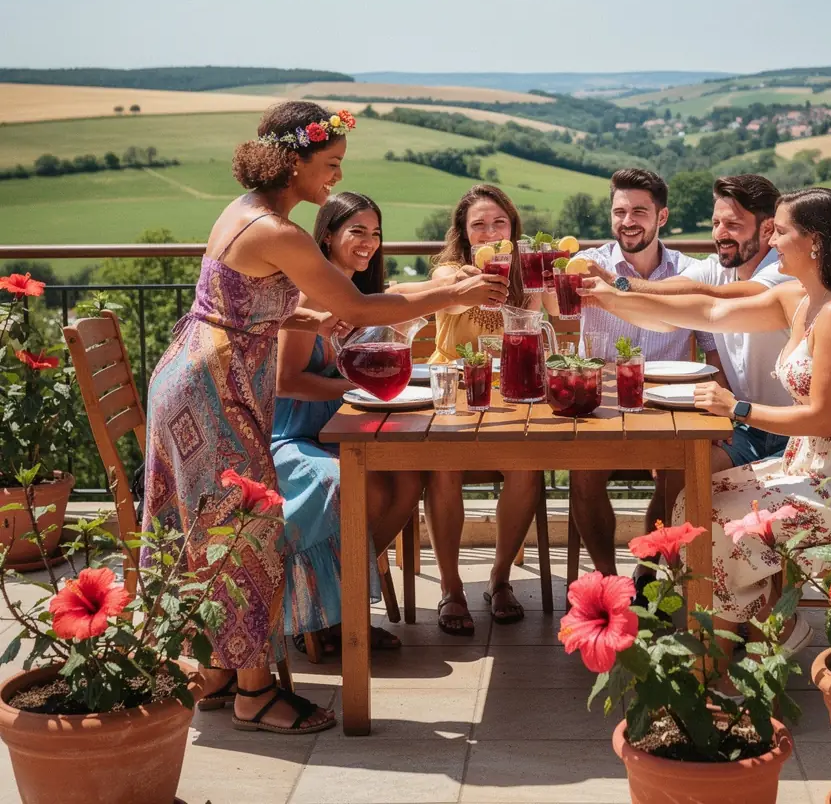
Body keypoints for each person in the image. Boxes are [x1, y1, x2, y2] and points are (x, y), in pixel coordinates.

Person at [142, 102, 508, 735]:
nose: (335, 179)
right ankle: (255, 692)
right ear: (293, 163)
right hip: (212, 394)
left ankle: (224, 672)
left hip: (200, 379)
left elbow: (241, 302)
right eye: (330, 165)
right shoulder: (277, 230)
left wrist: (304, 318)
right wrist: (458, 291)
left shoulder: (251, 214)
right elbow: (362, 308)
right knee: (241, 531)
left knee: (217, 533)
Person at [579, 186, 831, 657]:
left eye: (780, 232)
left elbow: (821, 419)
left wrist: (735, 407)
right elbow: (710, 307)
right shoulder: (798, 298)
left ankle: (742, 649)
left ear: (814, 242)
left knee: (715, 519)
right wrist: (614, 291)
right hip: (812, 462)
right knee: (693, 503)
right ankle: (764, 628)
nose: (772, 241)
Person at [273, 192, 444, 657]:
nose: (368, 242)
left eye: (375, 233)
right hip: (291, 437)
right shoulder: (307, 294)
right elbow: (287, 381)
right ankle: (336, 619)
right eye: (356, 232)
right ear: (327, 235)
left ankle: (335, 600)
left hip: (338, 431)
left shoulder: (357, 296)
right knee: (342, 484)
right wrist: (357, 387)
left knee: (408, 478)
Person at [551, 168, 698, 579]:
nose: (628, 221)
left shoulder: (687, 270)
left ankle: (647, 573)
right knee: (583, 472)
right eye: (619, 211)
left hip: (664, 404)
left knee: (678, 474)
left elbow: (712, 345)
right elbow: (549, 304)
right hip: (596, 401)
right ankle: (608, 578)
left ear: (661, 217)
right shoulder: (587, 263)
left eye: (639, 211)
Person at [612, 175, 796, 471]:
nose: (720, 234)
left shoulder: (784, 271)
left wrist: (617, 283)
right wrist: (606, 297)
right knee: (679, 467)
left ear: (767, 229)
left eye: (733, 225)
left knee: (696, 479)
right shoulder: (719, 267)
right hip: (746, 425)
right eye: (715, 224)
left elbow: (711, 299)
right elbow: (666, 306)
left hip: (796, 432)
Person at [427, 184, 544, 634]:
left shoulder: (526, 276)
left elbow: (542, 325)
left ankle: (499, 577)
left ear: (513, 228)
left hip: (512, 394)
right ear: (464, 233)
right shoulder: (450, 274)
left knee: (527, 469)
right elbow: (449, 294)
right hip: (454, 395)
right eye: (479, 225)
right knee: (443, 470)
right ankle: (451, 587)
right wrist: (474, 285)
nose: (490, 231)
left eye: (499, 223)